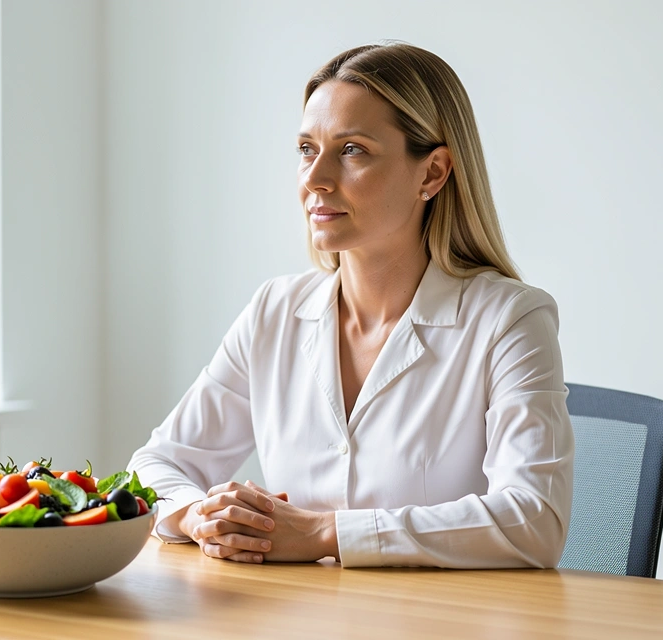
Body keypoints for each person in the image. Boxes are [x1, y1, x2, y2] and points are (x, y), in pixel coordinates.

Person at [127, 43, 574, 568]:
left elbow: (535, 519)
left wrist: (326, 534)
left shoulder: (509, 320)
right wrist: (200, 514)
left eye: (352, 150)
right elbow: (155, 465)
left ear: (432, 174)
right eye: (305, 149)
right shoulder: (276, 310)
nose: (316, 178)